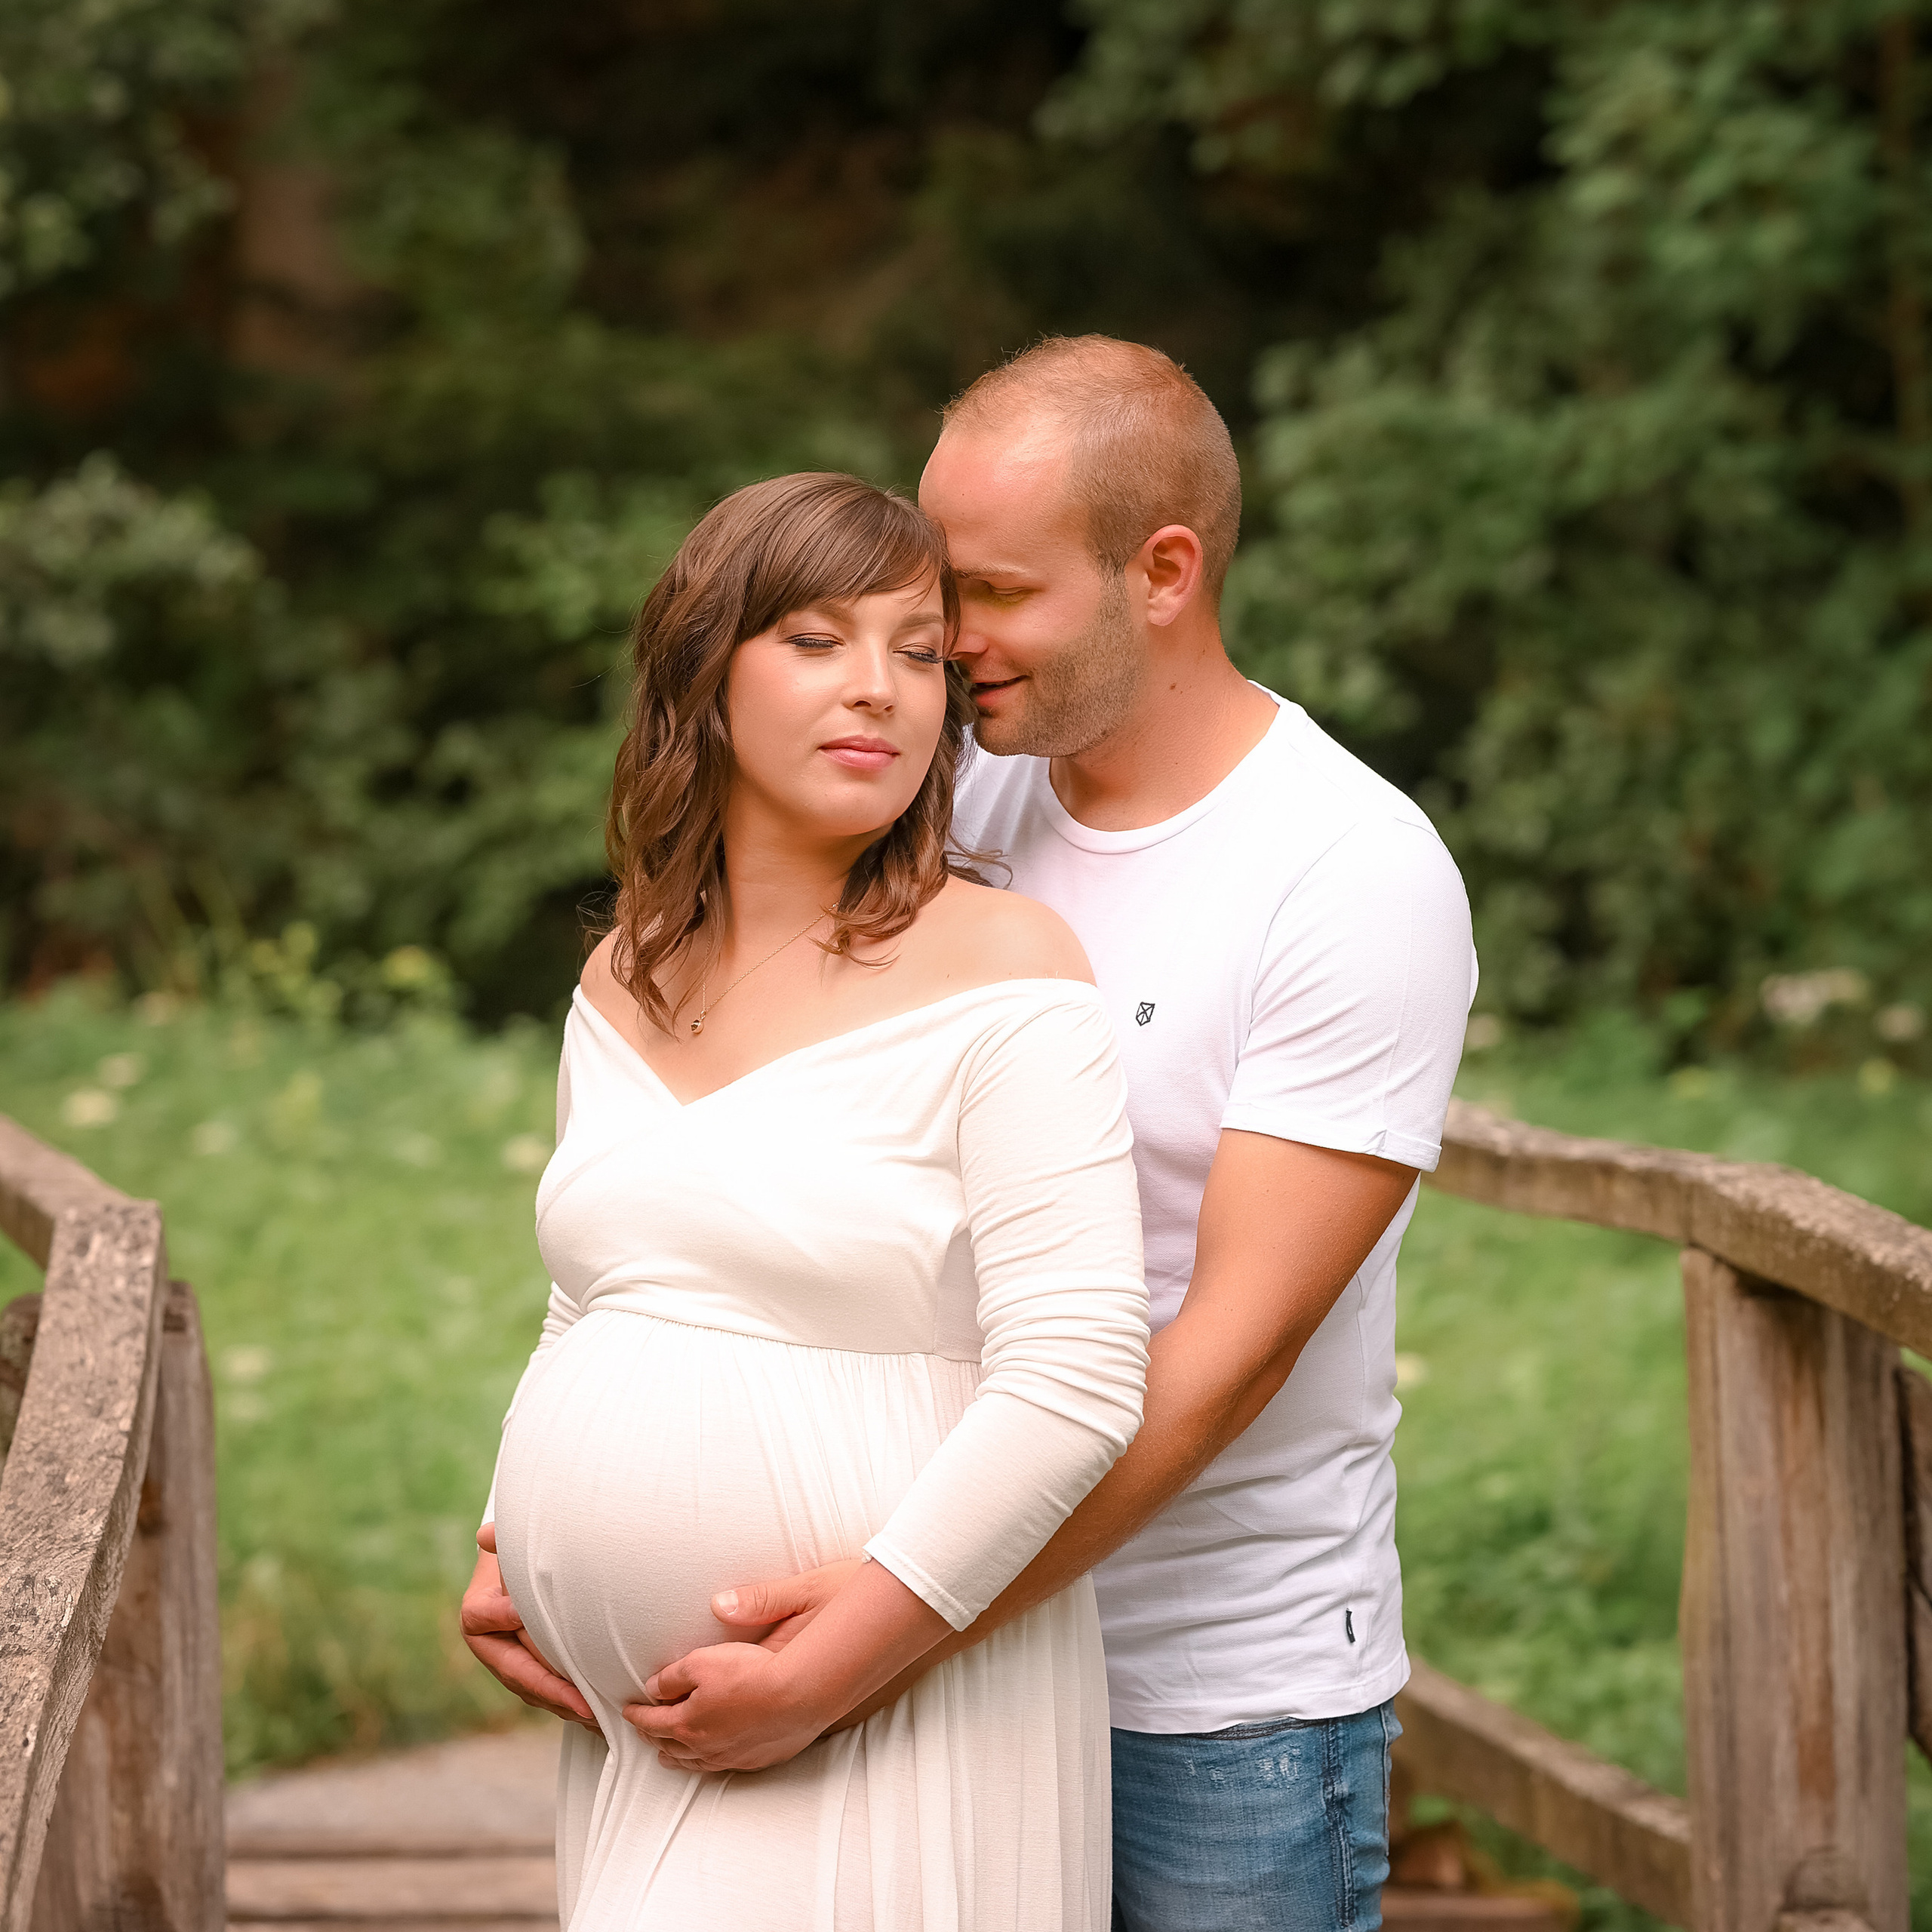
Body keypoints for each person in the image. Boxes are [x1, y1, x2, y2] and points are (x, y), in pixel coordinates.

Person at [623, 339, 1479, 1930]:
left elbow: (1224, 1352)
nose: (942, 638)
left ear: (1161, 572)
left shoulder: (1346, 873)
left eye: (992, 592)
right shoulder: (953, 802)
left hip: (1203, 1699)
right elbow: (779, 1155)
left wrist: (876, 1628)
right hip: (939, 1657)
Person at [461, 470, 1150, 1930]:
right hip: (654, 1726)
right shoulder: (626, 971)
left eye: (918, 651)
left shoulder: (1006, 967)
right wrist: (503, 1544)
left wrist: (836, 1667)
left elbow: (1079, 1379)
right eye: (818, 640)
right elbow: (597, 1290)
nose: (882, 692)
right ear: (705, 674)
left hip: (888, 1693)